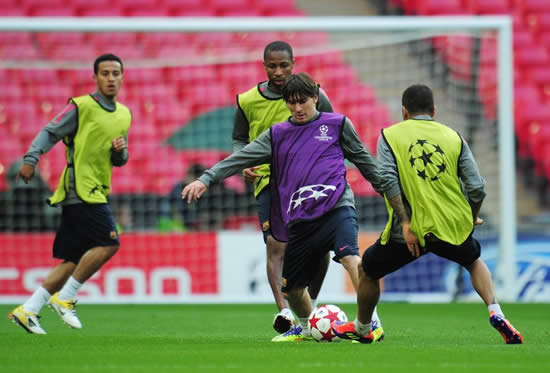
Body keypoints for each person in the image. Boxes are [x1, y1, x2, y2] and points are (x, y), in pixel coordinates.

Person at [183, 72, 395, 342]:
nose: (297, 108)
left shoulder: (337, 124)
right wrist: (206, 179)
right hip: (300, 217)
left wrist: (390, 194)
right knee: (292, 291)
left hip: (337, 206)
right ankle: (307, 328)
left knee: (350, 258)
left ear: (315, 98)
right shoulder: (277, 134)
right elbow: (240, 157)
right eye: (291, 103)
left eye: (302, 101)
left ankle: (368, 324)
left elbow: (365, 162)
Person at [332, 84, 524, 345]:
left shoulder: (390, 135)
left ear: (404, 112)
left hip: (412, 230)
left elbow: (388, 180)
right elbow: (477, 187)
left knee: (367, 270)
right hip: (451, 225)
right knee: (473, 260)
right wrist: (470, 216)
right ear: (434, 110)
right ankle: (495, 311)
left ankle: (363, 328)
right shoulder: (453, 136)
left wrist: (405, 222)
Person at [8, 53, 131, 334]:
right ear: (95, 77)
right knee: (110, 243)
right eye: (105, 73)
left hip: (98, 189)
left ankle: (29, 310)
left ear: (122, 77)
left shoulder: (125, 114)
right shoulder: (81, 106)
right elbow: (50, 132)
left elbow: (121, 160)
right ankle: (65, 298)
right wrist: (31, 159)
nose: (111, 78)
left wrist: (119, 151)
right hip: (79, 189)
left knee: (73, 260)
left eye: (116, 73)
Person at [232, 41, 335, 333]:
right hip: (269, 180)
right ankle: (286, 313)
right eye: (272, 66)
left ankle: (310, 307)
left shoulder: (314, 93)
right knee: (276, 245)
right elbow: (240, 138)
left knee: (319, 245)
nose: (278, 71)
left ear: (293, 63)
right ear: (264, 66)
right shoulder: (248, 100)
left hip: (309, 181)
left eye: (283, 65)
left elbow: (332, 128)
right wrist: (243, 163)